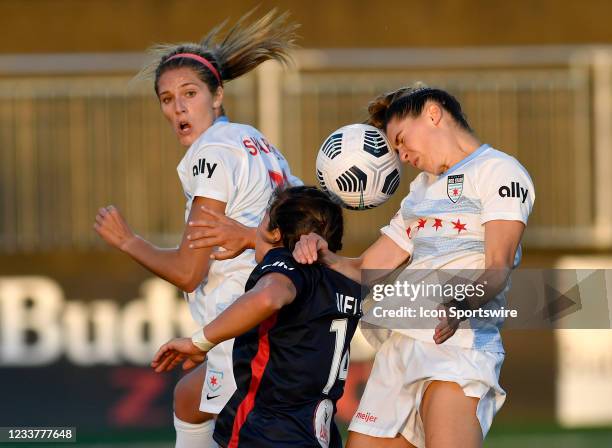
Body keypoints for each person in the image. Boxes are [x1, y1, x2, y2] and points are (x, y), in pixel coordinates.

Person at [93, 10, 300, 448]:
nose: (178, 108)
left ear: (217, 95)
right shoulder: (254, 140)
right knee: (190, 397)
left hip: (247, 328)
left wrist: (127, 240)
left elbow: (189, 271)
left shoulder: (210, 155)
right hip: (276, 319)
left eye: (189, 94)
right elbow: (301, 215)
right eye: (167, 99)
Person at [291, 86, 535, 448]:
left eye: (402, 141)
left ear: (433, 114)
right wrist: (321, 253)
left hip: (458, 343)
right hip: (401, 348)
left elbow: (498, 267)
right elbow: (365, 269)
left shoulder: (499, 171)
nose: (401, 156)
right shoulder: (420, 191)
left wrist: (460, 306)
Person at [151, 186, 363, 448]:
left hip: (266, 433)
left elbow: (268, 297)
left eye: (263, 218)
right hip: (318, 437)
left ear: (275, 232)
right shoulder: (347, 281)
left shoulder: (284, 262)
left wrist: (199, 341)